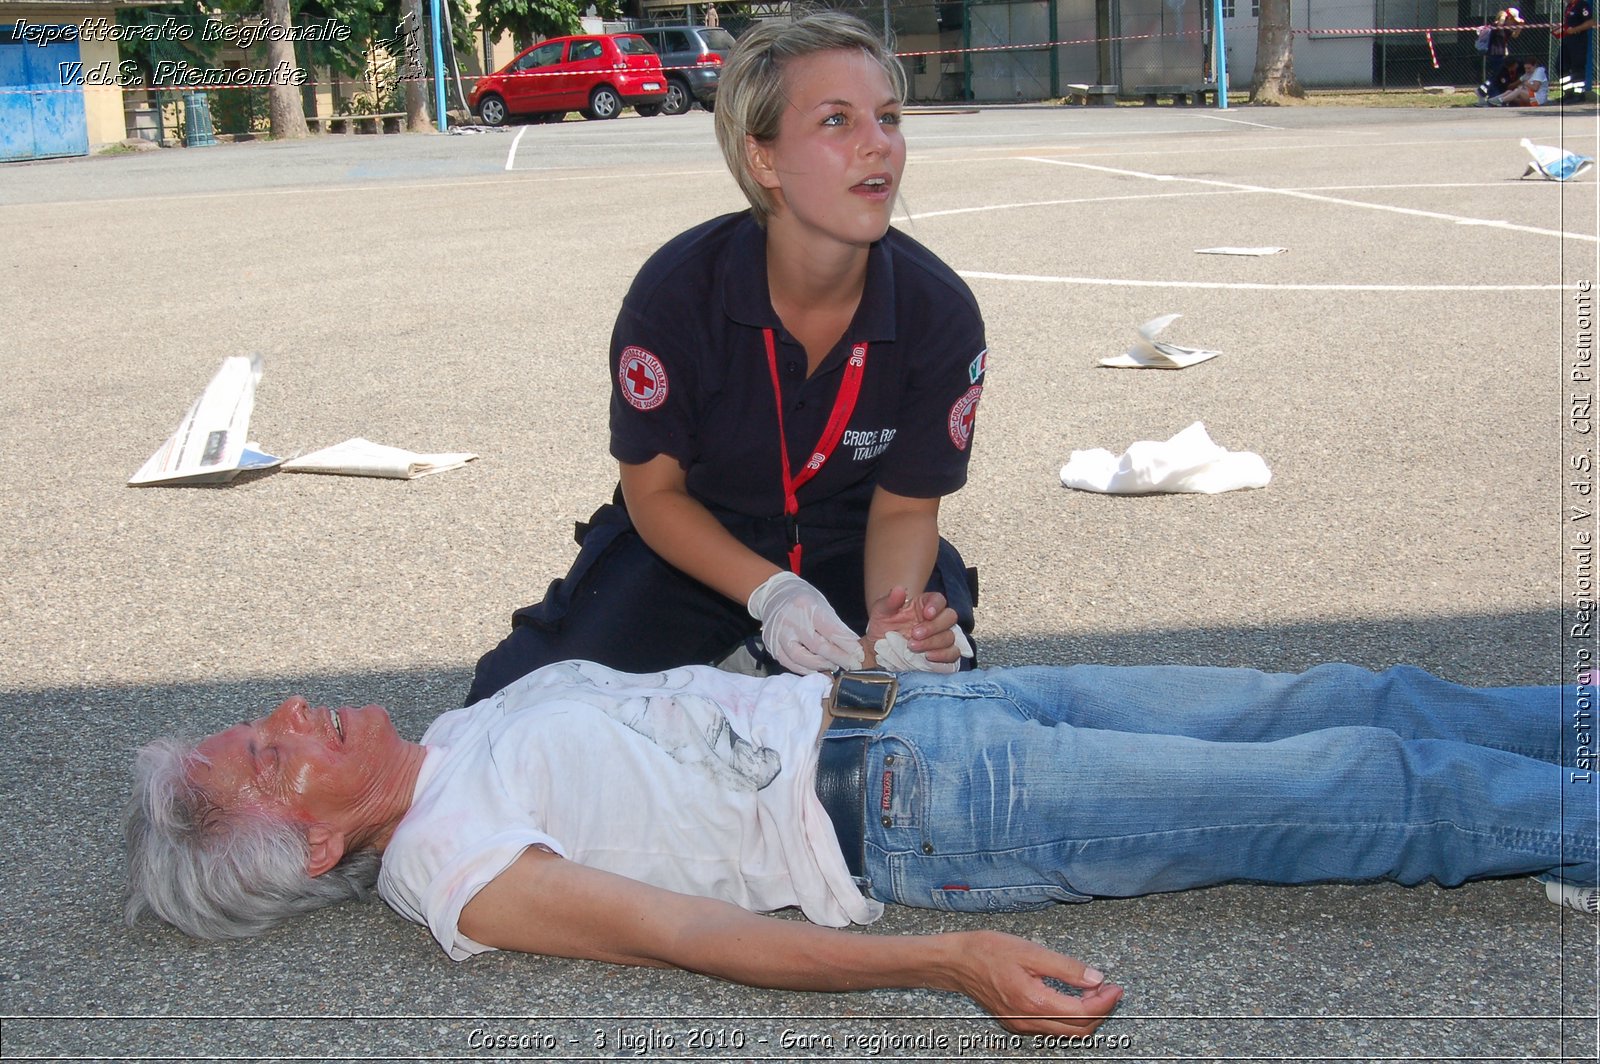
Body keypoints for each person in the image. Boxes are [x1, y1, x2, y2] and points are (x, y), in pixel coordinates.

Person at [125, 593, 1598, 1035]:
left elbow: (690, 728)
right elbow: (692, 932)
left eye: (265, 719)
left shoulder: (464, 725)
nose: (294, 713)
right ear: (313, 844)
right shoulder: (451, 871)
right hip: (922, 813)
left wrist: (871, 657)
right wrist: (947, 964)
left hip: (914, 711)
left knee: (1338, 691)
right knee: (1364, 792)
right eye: (270, 753)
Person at [466, 12, 987, 705]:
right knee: (511, 704)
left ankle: (759, 676)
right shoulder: (675, 296)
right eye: (837, 121)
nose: (878, 147)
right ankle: (739, 659)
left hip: (856, 543)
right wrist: (772, 593)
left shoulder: (940, 315)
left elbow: (904, 512)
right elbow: (654, 495)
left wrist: (893, 620)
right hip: (696, 548)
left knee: (924, 708)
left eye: (888, 118)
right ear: (762, 159)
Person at [1554, 0, 1596, 99]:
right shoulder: (1569, 6)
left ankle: (1579, 94)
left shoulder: (1582, 5)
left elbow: (1590, 22)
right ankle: (1568, 93)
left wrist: (1575, 29)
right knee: (1560, 65)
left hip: (1578, 40)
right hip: (1567, 39)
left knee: (1577, 67)